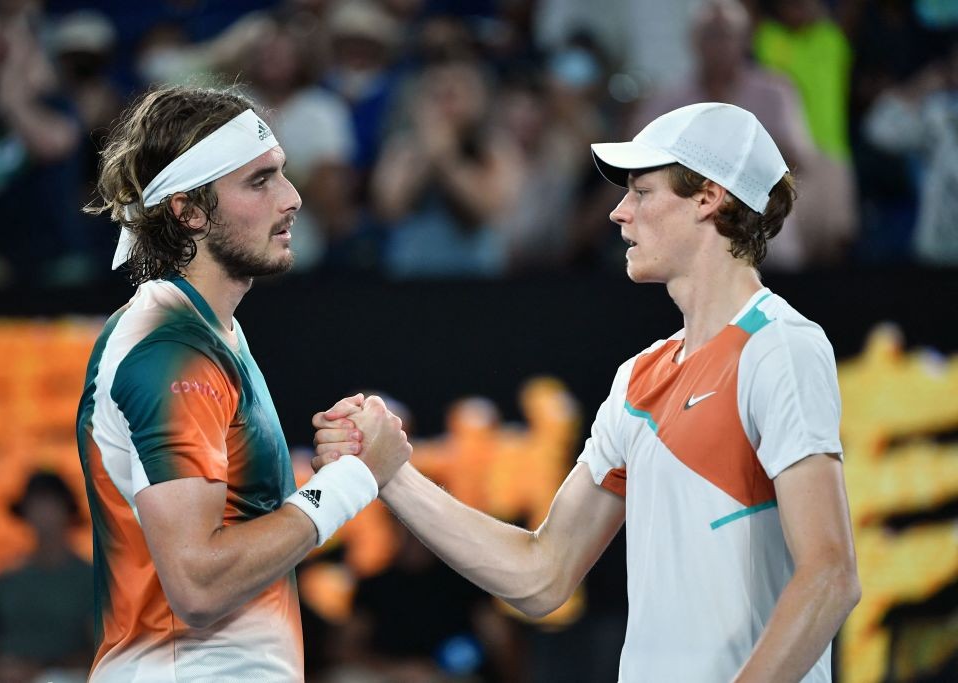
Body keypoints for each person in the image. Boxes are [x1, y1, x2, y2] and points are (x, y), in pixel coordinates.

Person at [314, 102, 861, 681]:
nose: (619, 212)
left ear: (708, 197)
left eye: (642, 192)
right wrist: (391, 474)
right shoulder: (639, 377)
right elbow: (542, 576)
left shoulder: (780, 347)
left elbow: (830, 576)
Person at [76, 85, 411, 682]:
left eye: (280, 172)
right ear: (189, 212)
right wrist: (353, 480)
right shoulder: (172, 349)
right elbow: (199, 584)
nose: (292, 197)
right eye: (259, 182)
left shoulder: (211, 331)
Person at [0, 472, 93, 682]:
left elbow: (103, 648)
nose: (43, 514)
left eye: (50, 505)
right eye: (36, 505)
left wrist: (40, 670)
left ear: (67, 511)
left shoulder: (91, 580)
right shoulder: (5, 581)